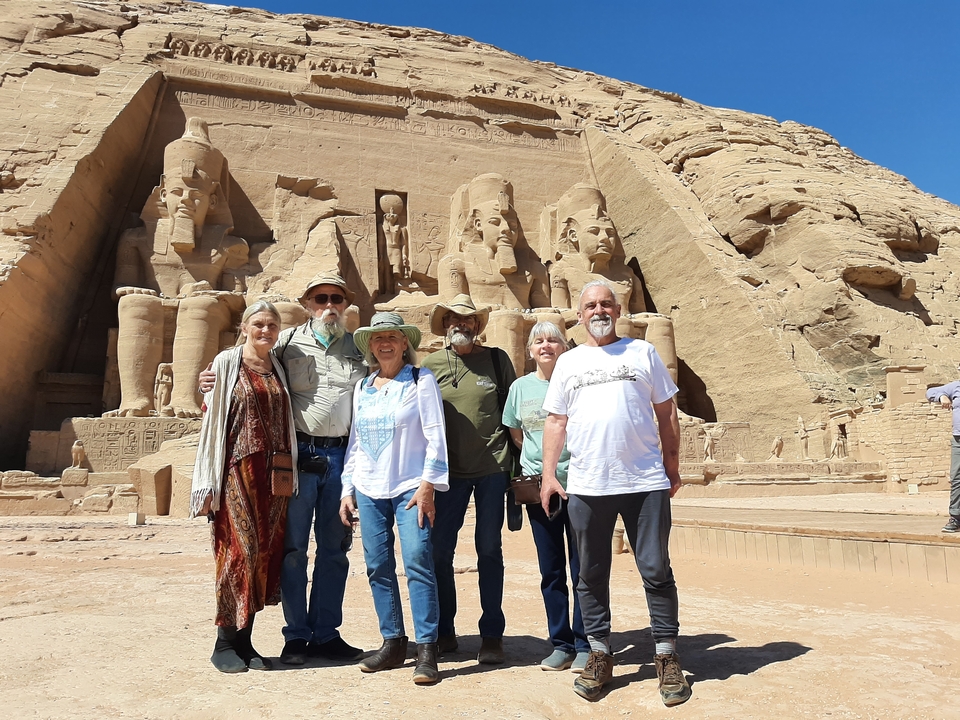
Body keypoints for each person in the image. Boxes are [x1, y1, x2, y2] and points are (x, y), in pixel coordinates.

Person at [199, 272, 366, 665]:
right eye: (321, 298)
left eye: (336, 299)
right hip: (296, 458)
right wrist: (209, 380)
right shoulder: (287, 343)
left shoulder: (360, 348)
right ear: (308, 303)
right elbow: (236, 373)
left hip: (341, 457)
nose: (329, 306)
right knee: (290, 550)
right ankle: (295, 636)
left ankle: (325, 634)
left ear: (345, 305)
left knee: (335, 550)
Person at [540, 280, 692, 706]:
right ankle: (600, 653)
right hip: (588, 484)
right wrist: (550, 476)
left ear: (619, 308)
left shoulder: (642, 353)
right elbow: (555, 422)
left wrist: (673, 466)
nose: (599, 310)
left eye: (606, 303)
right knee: (589, 572)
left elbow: (667, 413)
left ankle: (666, 654)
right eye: (591, 305)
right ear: (579, 313)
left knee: (655, 567)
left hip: (643, 482)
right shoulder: (569, 363)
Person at [338, 312, 449, 684]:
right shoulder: (364, 386)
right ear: (370, 345)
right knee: (377, 565)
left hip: (410, 486)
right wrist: (347, 488)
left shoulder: (420, 380)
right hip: (369, 488)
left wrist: (429, 484)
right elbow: (355, 442)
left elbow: (436, 433)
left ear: (405, 344)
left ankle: (427, 648)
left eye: (393, 336)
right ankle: (393, 642)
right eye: (378, 337)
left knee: (418, 560)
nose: (385, 343)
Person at [190, 300, 298, 673]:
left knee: (264, 555)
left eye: (271, 325)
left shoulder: (279, 368)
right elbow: (210, 407)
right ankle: (223, 641)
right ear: (244, 326)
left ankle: (246, 640)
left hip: (275, 476)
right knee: (237, 552)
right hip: (236, 471)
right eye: (258, 324)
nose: (265, 331)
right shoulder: (225, 363)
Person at [421, 294, 516, 664]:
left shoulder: (496, 359)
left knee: (489, 549)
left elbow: (512, 410)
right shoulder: (429, 365)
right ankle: (444, 630)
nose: (462, 324)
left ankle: (491, 633)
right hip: (448, 472)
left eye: (469, 320)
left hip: (493, 467)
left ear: (477, 326)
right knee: (439, 550)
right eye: (454, 319)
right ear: (445, 325)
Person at [502, 322, 590, 672]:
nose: (546, 345)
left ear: (564, 346)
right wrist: (543, 462)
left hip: (581, 483)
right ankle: (562, 643)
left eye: (552, 339)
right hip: (541, 487)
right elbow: (517, 433)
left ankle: (587, 642)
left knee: (584, 567)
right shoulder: (520, 388)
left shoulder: (577, 381)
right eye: (538, 341)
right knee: (551, 568)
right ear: (530, 350)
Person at [926, 376, 960, 533]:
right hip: (958, 439)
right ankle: (955, 517)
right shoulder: (955, 387)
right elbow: (931, 392)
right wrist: (942, 396)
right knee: (957, 478)